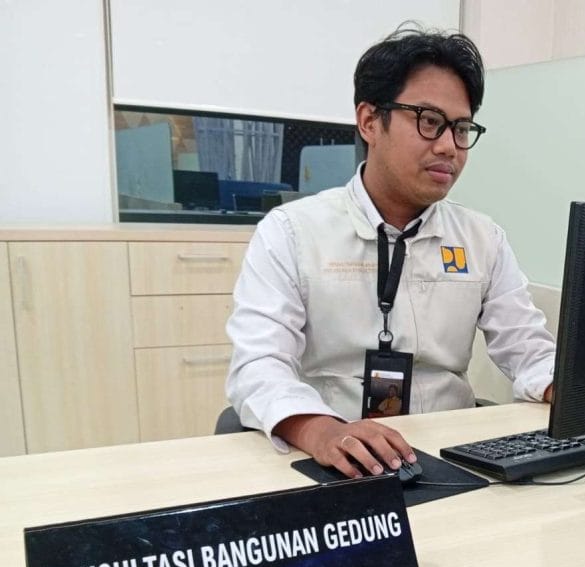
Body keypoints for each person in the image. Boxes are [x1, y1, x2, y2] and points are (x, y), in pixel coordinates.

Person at [225, 24, 556, 479]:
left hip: (450, 456)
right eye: (428, 121)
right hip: (335, 461)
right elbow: (259, 365)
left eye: (461, 128)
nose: (449, 147)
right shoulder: (292, 233)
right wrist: (321, 430)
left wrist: (574, 391)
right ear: (369, 121)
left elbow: (529, 349)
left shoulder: (483, 239)